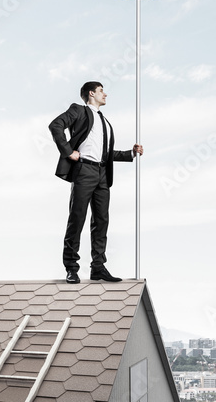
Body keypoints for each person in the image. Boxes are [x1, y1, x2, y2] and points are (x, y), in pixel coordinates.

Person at [49, 81, 143, 284]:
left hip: (102, 173)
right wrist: (68, 151)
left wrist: (131, 154)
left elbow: (107, 153)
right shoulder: (79, 111)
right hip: (84, 170)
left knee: (101, 221)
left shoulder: (105, 122)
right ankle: (72, 268)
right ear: (91, 93)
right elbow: (55, 125)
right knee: (77, 218)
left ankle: (98, 267)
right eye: (101, 91)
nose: (105, 94)